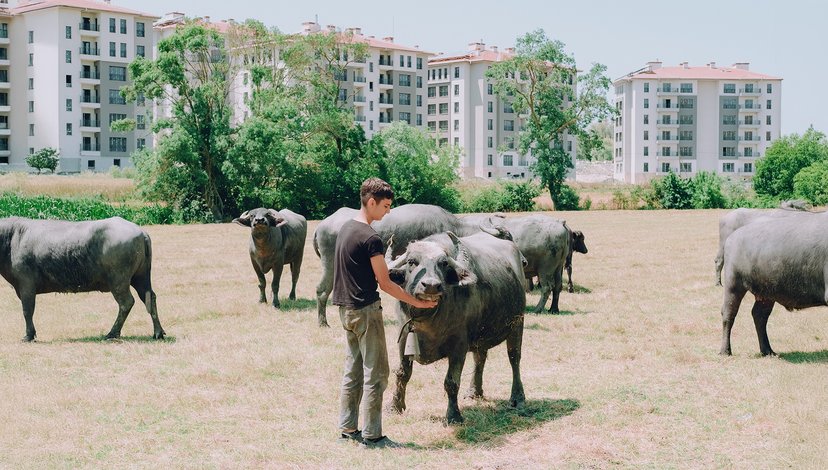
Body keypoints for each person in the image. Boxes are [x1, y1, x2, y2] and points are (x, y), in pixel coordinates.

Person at [332, 178, 438, 449]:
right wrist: (418, 302)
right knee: (376, 373)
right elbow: (385, 282)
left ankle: (347, 428)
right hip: (365, 311)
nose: (388, 211)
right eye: (386, 206)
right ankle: (373, 435)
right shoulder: (370, 238)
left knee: (352, 370)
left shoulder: (346, 228)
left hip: (346, 310)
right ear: (371, 202)